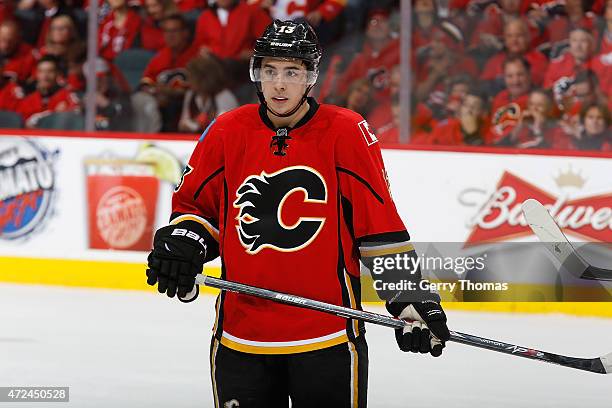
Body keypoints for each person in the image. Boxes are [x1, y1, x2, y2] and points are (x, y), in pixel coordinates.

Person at [145, 20, 450, 407]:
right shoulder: (226, 131)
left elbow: (378, 227)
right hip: (242, 338)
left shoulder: (347, 131)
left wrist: (410, 298)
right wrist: (184, 244)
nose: (279, 84)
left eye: (292, 72)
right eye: (270, 71)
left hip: (328, 338)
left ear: (310, 77)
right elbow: (196, 212)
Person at [17, 54, 80, 128]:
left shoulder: (67, 96)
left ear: (57, 74)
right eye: (41, 72)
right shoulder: (28, 101)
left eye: (50, 71)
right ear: (37, 74)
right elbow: (20, 125)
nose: (45, 76)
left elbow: (77, 115)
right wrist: (54, 113)